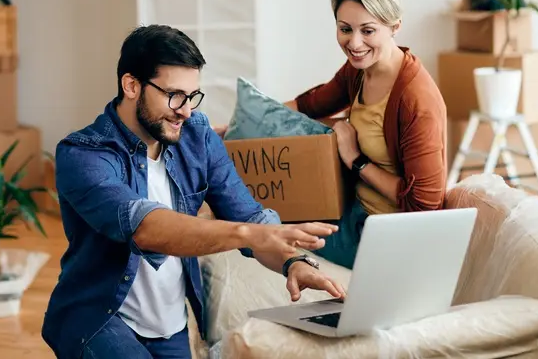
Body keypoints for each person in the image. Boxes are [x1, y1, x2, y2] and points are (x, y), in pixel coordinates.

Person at [42, 24, 346, 359]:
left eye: (192, 96)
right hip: (99, 320)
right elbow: (147, 229)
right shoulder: (83, 154)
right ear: (131, 85)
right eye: (174, 95)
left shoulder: (196, 136)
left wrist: (294, 263)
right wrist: (250, 234)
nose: (186, 110)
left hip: (171, 325)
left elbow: (248, 214)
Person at [216, 0, 447, 270]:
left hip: (381, 233)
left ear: (394, 26)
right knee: (249, 212)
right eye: (345, 29)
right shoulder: (360, 68)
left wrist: (357, 160)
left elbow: (425, 205)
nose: (354, 42)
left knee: (262, 232)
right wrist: (240, 126)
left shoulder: (416, 100)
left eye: (368, 30)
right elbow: (310, 104)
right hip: (350, 206)